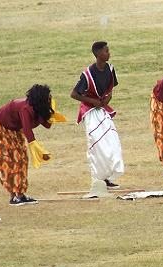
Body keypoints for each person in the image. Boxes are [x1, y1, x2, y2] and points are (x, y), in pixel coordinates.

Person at [0, 84, 65, 206]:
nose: (50, 99)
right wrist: (40, 153)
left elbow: (47, 125)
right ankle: (14, 196)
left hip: (14, 129)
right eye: (48, 98)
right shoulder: (26, 109)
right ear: (41, 100)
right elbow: (28, 132)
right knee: (10, 161)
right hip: (1, 127)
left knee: (22, 160)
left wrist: (51, 111)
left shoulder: (39, 109)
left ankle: (20, 194)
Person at [70, 41, 124, 189]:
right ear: (98, 54)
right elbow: (74, 94)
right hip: (90, 112)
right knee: (97, 145)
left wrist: (107, 99)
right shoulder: (88, 74)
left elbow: (110, 89)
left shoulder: (110, 69)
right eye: (106, 51)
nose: (109, 53)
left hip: (102, 109)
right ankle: (97, 180)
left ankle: (107, 177)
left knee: (111, 142)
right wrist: (92, 101)